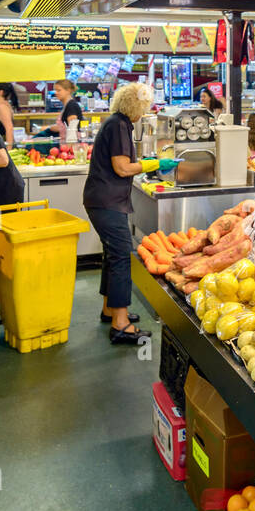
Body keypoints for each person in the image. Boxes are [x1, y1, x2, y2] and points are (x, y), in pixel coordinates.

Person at [83, 83, 175, 345]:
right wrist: (155, 163)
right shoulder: (120, 125)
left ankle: (110, 309)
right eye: (145, 107)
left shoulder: (115, 122)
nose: (146, 112)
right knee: (122, 257)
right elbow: (122, 168)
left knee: (112, 257)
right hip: (107, 202)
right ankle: (120, 325)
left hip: (101, 200)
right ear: (136, 105)